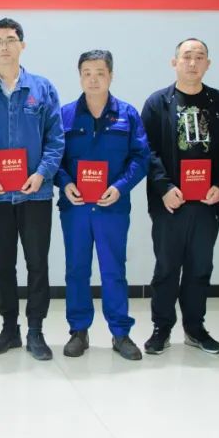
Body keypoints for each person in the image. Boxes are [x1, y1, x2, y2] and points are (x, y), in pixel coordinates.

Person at [0, 18, 64, 361]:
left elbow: (56, 139)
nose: (5, 47)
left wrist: (42, 174)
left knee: (37, 263)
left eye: (11, 40)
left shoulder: (43, 88)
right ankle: (9, 328)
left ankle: (36, 330)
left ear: (22, 45)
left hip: (34, 194)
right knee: (4, 265)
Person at [140, 38, 219, 356]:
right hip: (170, 202)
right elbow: (147, 151)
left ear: (208, 64)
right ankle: (161, 328)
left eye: (199, 57)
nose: (192, 63)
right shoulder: (158, 103)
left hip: (207, 203)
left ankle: (195, 328)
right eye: (186, 57)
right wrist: (164, 187)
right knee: (166, 268)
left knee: (200, 268)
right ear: (174, 62)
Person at [56, 50, 149, 360]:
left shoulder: (127, 114)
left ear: (111, 75)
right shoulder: (65, 115)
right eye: (87, 73)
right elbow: (54, 157)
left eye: (100, 73)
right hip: (76, 207)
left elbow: (141, 157)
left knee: (113, 270)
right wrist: (65, 183)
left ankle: (120, 333)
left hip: (112, 207)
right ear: (79, 76)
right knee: (76, 270)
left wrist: (120, 187)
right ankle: (78, 331)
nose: (93, 79)